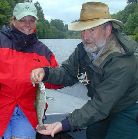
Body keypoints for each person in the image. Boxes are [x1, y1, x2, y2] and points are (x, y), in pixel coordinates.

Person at [31, 2, 138, 139]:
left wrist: (65, 124)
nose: (85, 37)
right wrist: (46, 73)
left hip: (126, 108)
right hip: (100, 105)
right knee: (93, 135)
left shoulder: (123, 62)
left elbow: (100, 106)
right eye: (83, 30)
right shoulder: (83, 50)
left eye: (92, 29)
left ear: (108, 30)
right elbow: (68, 72)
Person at [0, 2, 62, 139]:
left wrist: (46, 73)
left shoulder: (44, 51)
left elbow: (59, 81)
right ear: (13, 20)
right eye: (22, 20)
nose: (27, 24)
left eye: (31, 20)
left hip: (27, 112)